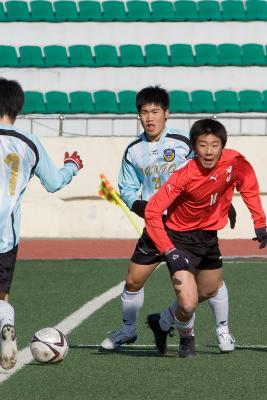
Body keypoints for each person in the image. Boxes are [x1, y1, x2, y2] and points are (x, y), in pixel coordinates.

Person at [99, 87, 235, 352]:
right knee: (133, 280)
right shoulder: (133, 151)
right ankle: (128, 330)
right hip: (154, 226)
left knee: (199, 287)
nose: (150, 118)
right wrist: (141, 205)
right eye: (144, 112)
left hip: (186, 225)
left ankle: (214, 331)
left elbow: (210, 172)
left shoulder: (184, 143)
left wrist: (222, 202)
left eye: (155, 112)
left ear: (166, 114)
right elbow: (126, 189)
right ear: (139, 116)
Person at [145, 118, 267, 358]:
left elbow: (249, 185)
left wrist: (260, 223)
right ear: (194, 147)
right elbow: (152, 211)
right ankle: (186, 338)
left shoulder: (235, 162)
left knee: (210, 290)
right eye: (202, 145)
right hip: (179, 240)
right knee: (188, 303)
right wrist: (169, 250)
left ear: (222, 146)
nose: (209, 151)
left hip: (209, 237)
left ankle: (161, 321)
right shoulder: (184, 175)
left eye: (214, 145)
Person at [0, 78, 83, 369]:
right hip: (5, 235)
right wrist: (72, 166)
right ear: (17, 108)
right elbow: (54, 182)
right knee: (1, 295)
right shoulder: (28, 142)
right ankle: (5, 325)